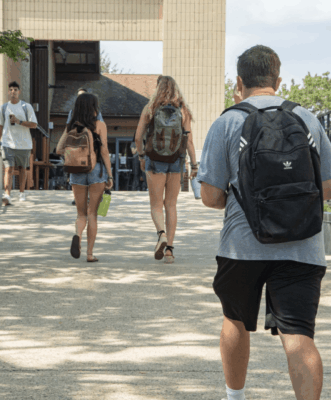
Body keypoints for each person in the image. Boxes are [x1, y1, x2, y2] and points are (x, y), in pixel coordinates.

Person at [197, 45, 331, 400]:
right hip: (303, 247)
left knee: (235, 320)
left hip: (242, 246)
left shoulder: (227, 121)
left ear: (239, 82)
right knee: (299, 335)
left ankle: (235, 397)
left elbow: (209, 196)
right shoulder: (308, 119)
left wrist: (245, 203)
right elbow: (328, 188)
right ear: (278, 80)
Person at [135, 76, 198, 263]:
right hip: (176, 161)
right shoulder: (183, 110)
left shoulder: (150, 108)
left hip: (154, 160)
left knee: (156, 205)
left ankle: (161, 234)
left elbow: (138, 137)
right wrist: (194, 164)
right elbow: (189, 141)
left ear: (158, 88)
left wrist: (140, 156)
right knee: (171, 204)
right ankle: (169, 250)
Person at [57, 93, 113, 262]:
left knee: (81, 214)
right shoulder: (100, 125)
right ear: (94, 108)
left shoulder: (71, 127)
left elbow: (59, 149)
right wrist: (110, 175)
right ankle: (89, 254)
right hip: (96, 172)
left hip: (76, 172)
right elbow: (104, 152)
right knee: (92, 214)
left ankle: (77, 235)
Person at [0, 81, 38, 205]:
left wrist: (19, 121)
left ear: (19, 92)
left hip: (24, 144)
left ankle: (22, 193)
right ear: (8, 92)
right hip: (8, 143)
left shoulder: (26, 107)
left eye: (15, 89)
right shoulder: (3, 108)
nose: (13, 92)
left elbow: (34, 125)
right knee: (8, 169)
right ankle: (7, 195)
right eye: (11, 90)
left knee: (22, 169)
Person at [67, 88, 104, 205]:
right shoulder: (73, 113)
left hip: (86, 153)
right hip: (82, 154)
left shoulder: (94, 113)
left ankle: (82, 198)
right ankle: (83, 198)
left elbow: (63, 141)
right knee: (93, 213)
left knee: (81, 214)